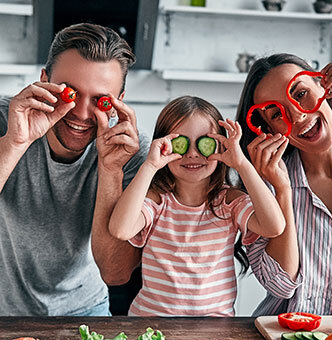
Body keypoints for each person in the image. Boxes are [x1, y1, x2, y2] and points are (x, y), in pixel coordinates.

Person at [0, 23, 148, 315]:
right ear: (44, 79)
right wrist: (15, 143)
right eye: (69, 92)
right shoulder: (7, 119)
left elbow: (115, 273)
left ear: (120, 99)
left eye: (100, 100)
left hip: (85, 310)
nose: (80, 114)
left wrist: (110, 170)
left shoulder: (129, 150)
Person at [106, 95, 286, 316]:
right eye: (180, 143)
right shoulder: (157, 201)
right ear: (163, 146)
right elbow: (120, 229)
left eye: (204, 143)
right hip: (150, 325)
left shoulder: (228, 202)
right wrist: (150, 165)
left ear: (220, 146)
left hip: (213, 329)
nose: (192, 153)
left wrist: (241, 163)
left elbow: (274, 226)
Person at [236, 53, 332, 316]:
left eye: (300, 94)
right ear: (268, 129)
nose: (297, 115)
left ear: (324, 87)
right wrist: (282, 190)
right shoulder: (263, 188)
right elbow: (280, 286)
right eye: (276, 113)